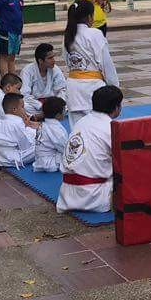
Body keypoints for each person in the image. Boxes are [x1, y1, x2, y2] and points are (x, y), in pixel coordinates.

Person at [57, 84, 123, 213]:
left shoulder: (81, 122)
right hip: (95, 197)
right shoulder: (110, 128)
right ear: (116, 107)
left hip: (67, 194)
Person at [62, 0, 119, 125]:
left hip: (73, 88)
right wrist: (114, 87)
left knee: (77, 131)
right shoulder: (95, 33)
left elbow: (67, 61)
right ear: (89, 16)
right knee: (97, 128)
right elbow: (106, 64)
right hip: (93, 89)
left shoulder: (67, 35)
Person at [0, 92, 38, 170]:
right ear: (14, 109)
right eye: (22, 107)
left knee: (30, 131)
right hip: (14, 159)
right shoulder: (17, 123)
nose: (24, 110)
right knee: (43, 145)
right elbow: (26, 146)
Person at [21, 42, 67, 116]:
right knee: (25, 107)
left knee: (69, 102)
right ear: (40, 61)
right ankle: (48, 114)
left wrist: (56, 105)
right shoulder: (27, 71)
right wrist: (40, 105)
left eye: (53, 57)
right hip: (36, 104)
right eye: (50, 58)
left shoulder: (55, 69)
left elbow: (62, 89)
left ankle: (47, 113)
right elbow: (24, 94)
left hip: (52, 104)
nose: (54, 60)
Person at [34, 97, 70, 172]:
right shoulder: (55, 129)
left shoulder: (44, 124)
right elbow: (65, 149)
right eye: (64, 110)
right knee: (78, 156)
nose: (65, 112)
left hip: (40, 161)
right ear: (58, 115)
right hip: (50, 163)